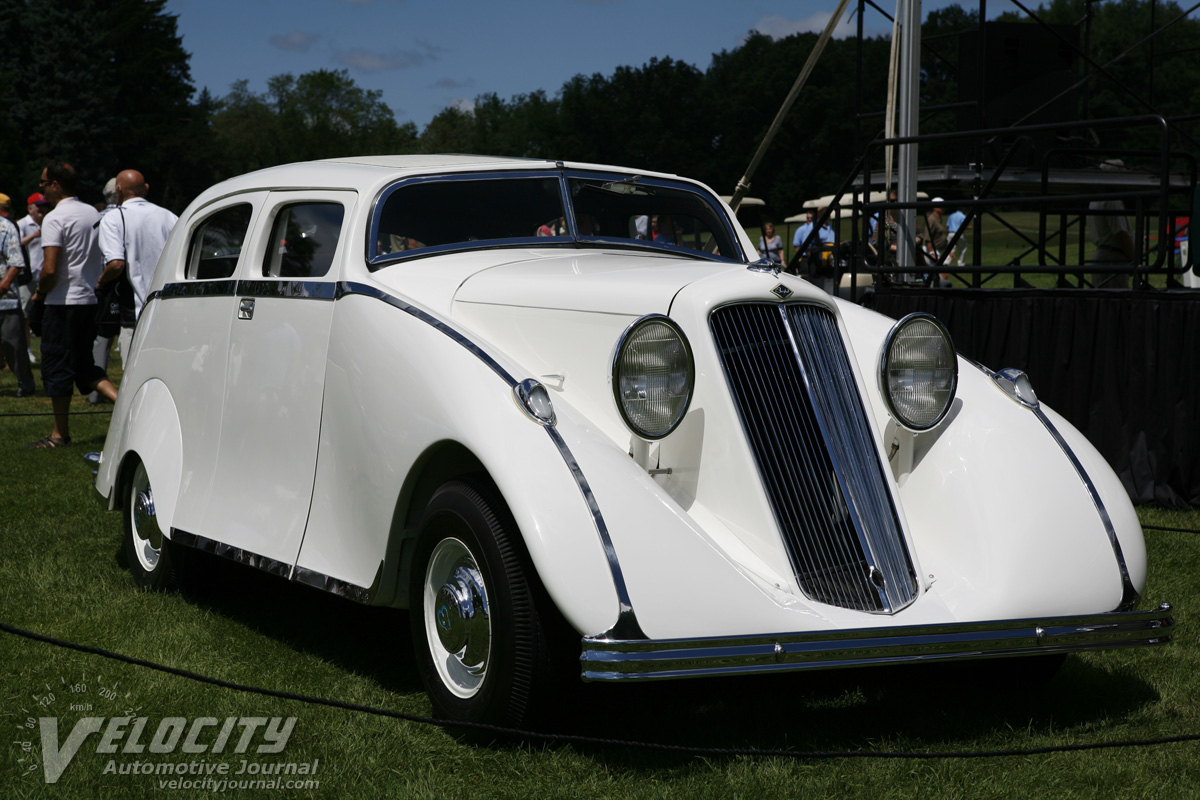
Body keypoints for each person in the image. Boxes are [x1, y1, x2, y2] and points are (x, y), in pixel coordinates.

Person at [28, 161, 118, 448]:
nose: (41, 189)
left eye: (43, 183)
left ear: (56, 185)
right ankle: (125, 404)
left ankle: (59, 434)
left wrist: (39, 295)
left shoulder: (55, 218)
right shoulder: (92, 212)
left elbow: (50, 269)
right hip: (90, 299)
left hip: (62, 301)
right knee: (84, 364)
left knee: (56, 365)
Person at [96, 169, 178, 364]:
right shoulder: (170, 216)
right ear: (146, 189)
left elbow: (116, 264)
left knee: (134, 375)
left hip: (134, 310)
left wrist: (101, 282)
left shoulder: (113, 218)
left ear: (118, 190)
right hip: (169, 308)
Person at [0, 193, 35, 396]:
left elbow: (16, 261)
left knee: (13, 345)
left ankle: (26, 384)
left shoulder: (6, 227)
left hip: (6, 299)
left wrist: (4, 285)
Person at [89, 177, 119, 404]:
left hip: (99, 282)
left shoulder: (95, 218)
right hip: (114, 282)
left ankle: (95, 390)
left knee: (101, 337)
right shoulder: (121, 217)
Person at [1087, 159, 1133, 288]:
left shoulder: (1096, 198)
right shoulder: (1113, 200)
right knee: (1116, 301)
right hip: (1113, 259)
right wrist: (1134, 259)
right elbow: (1121, 234)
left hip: (1104, 257)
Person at [18, 192, 50, 363]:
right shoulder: (22, 224)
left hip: (44, 275)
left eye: (44, 205)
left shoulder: (49, 222)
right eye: (39, 206)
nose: (42, 209)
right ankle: (27, 349)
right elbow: (15, 244)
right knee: (24, 315)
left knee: (44, 314)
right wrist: (33, 236)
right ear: (30, 208)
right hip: (27, 277)